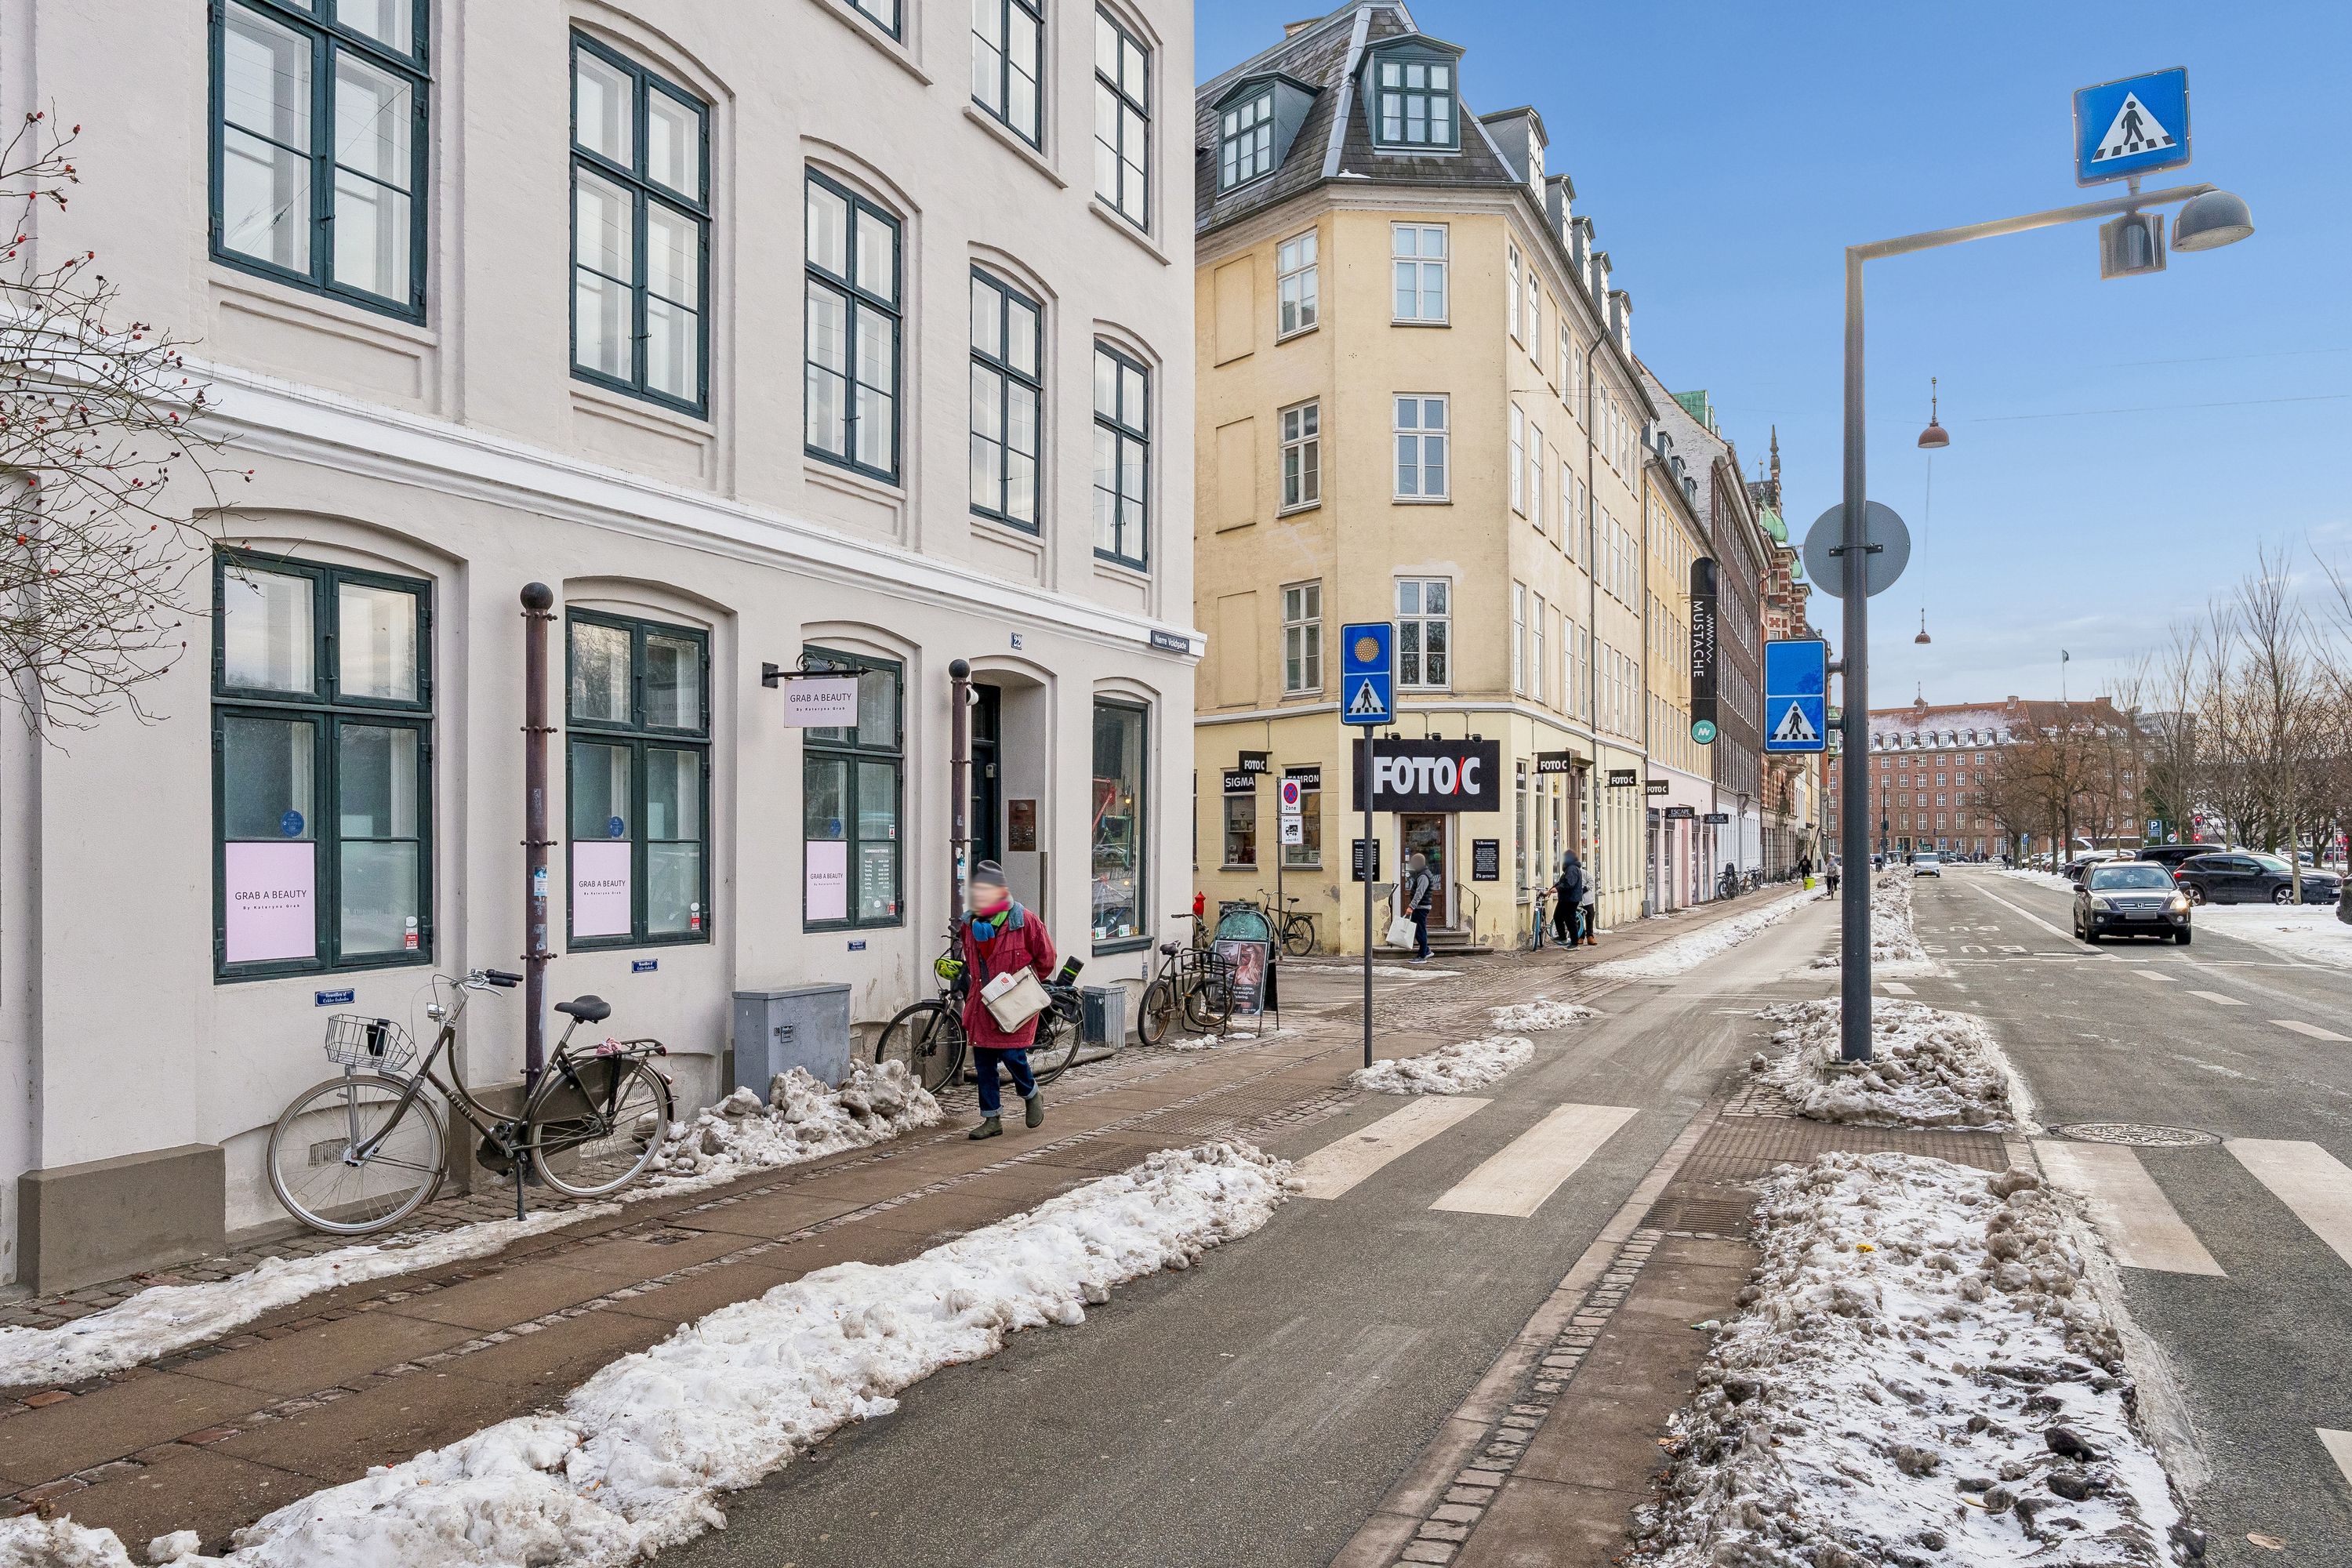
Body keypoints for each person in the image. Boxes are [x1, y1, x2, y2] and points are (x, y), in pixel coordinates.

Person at [959, 860, 1055, 1141]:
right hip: (982, 1001)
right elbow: (970, 960)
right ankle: (991, 1119)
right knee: (984, 1063)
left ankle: (1031, 1093)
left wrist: (1023, 982)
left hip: (1015, 1002)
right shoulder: (969, 923)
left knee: (1013, 1055)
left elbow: (1046, 959)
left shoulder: (1023, 920)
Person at [1403, 851, 1436, 963]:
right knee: (1418, 930)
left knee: (1420, 931)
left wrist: (1411, 907)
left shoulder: (1423, 876)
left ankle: (1423, 955)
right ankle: (1425, 950)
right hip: (1420, 907)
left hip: (1421, 908)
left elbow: (1419, 893)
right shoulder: (1423, 874)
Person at [1553, 851, 1584, 946]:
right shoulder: (1570, 869)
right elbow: (1563, 882)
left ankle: (1574, 943)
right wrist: (1553, 888)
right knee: (1559, 917)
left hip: (1570, 899)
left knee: (1570, 920)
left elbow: (1569, 884)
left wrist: (1557, 889)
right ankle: (1563, 937)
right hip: (1567, 898)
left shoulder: (1572, 869)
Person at [1579, 869, 1599, 946]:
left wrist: (1584, 889)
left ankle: (1590, 936)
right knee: (1578, 920)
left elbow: (1591, 881)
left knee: (1590, 918)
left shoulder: (1584, 873)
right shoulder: (1570, 873)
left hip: (1588, 900)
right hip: (1577, 901)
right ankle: (1580, 936)